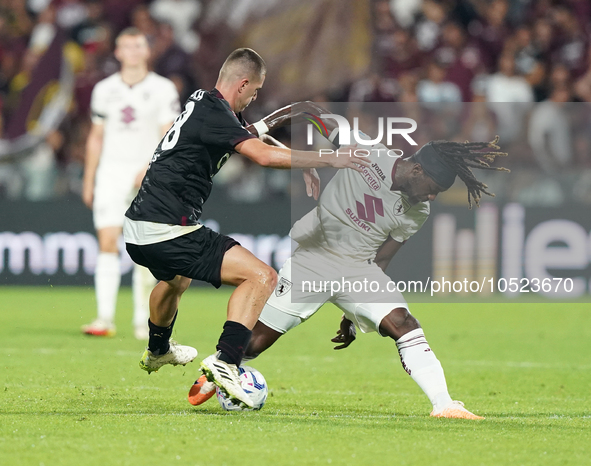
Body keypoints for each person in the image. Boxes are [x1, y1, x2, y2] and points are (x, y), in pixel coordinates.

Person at [188, 119, 508, 419]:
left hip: (359, 270)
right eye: (433, 186)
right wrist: (273, 131)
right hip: (312, 262)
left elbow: (381, 259)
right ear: (417, 169)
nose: (433, 196)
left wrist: (354, 314)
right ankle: (216, 372)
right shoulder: (369, 152)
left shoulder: (418, 211)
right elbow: (317, 114)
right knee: (255, 342)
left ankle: (444, 404)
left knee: (404, 323)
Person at [123, 48, 368, 407]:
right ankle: (226, 363)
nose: (253, 99)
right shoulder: (216, 112)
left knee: (176, 279)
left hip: (138, 228)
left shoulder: (201, 103)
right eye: (253, 92)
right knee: (262, 277)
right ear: (242, 84)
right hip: (166, 228)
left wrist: (300, 160)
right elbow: (263, 156)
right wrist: (331, 158)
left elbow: (252, 136)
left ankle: (158, 349)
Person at [82, 27, 180, 340]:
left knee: (145, 249)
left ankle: (143, 321)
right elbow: (96, 137)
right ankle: (104, 318)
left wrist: (152, 168)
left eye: (139, 45)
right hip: (110, 173)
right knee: (107, 241)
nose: (133, 51)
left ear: (147, 51)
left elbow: (169, 135)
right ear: (118, 52)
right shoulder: (104, 89)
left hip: (147, 175)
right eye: (127, 46)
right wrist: (89, 179)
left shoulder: (163, 89)